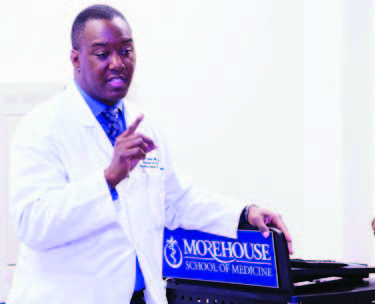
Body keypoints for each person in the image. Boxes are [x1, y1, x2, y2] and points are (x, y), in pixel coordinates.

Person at [7, 4, 292, 304]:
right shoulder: (41, 127)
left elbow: (176, 201)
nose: (117, 63)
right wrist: (108, 180)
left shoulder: (144, 122)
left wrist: (244, 213)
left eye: (126, 51)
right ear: (76, 59)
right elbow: (32, 224)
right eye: (103, 54)